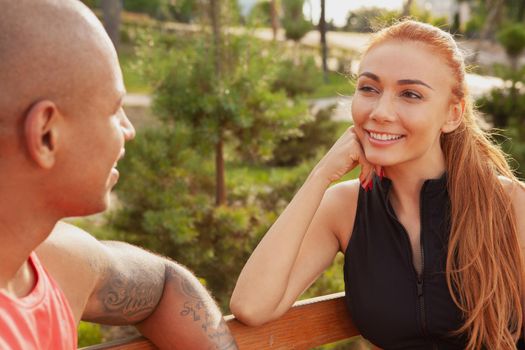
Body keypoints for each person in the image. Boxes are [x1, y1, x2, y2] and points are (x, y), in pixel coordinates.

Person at [231, 19, 525, 350]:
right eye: (369, 88)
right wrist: (322, 174)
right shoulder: (344, 208)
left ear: (452, 115)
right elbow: (252, 305)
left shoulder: (510, 204)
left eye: (410, 94)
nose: (381, 111)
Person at [0, 1, 237, 349]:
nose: (128, 130)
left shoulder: (49, 263)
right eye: (114, 109)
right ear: (47, 135)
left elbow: (165, 284)